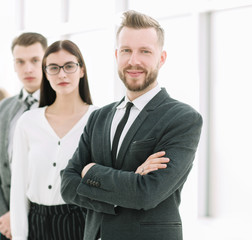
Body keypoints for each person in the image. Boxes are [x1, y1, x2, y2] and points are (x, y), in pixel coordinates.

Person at [61, 10, 203, 240]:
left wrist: (90, 172)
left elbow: (147, 194)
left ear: (162, 58)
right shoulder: (99, 117)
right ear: (117, 55)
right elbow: (67, 185)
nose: (133, 61)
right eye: (126, 50)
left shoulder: (183, 118)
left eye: (145, 51)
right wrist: (129, 183)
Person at [10, 40, 96, 240]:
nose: (62, 74)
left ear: (81, 70)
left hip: (80, 223)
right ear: (46, 73)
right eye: (54, 68)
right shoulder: (28, 122)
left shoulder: (98, 119)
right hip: (36, 223)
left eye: (69, 66)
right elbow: (18, 188)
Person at [0, 32, 47, 240]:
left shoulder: (62, 107)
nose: (27, 68)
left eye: (35, 60)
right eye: (20, 62)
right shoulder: (4, 109)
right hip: (5, 222)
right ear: (14, 65)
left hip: (48, 219)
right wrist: (5, 214)